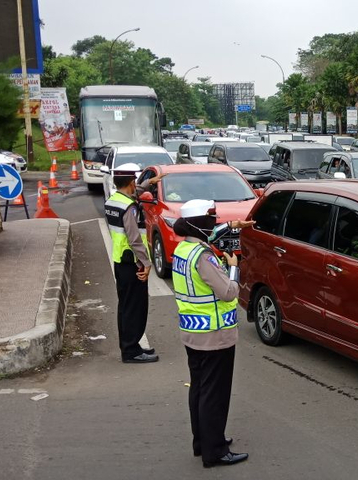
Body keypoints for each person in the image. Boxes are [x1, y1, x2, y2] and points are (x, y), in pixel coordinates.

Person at [172, 199, 254, 468]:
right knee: (214, 395)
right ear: (199, 224)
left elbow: (212, 234)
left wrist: (233, 226)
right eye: (210, 219)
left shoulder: (185, 249)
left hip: (193, 332)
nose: (214, 223)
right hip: (214, 335)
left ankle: (203, 441)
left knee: (199, 389)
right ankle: (215, 451)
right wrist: (233, 266)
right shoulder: (204, 257)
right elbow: (229, 292)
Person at [104, 163, 159, 364]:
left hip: (121, 262)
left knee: (125, 307)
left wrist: (148, 182)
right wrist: (146, 263)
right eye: (135, 181)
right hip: (133, 263)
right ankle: (131, 352)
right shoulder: (129, 207)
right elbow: (135, 238)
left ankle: (130, 346)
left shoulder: (114, 200)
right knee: (135, 308)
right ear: (130, 182)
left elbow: (134, 192)